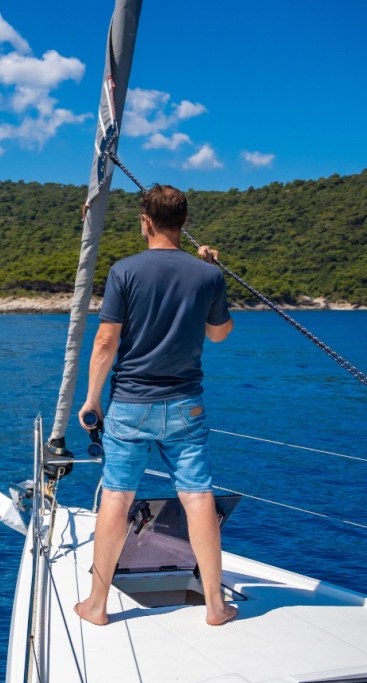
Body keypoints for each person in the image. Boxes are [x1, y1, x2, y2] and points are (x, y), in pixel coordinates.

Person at [73, 184, 238, 627]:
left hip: (130, 404)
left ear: (145, 221)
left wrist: (91, 398)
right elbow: (219, 334)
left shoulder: (124, 271)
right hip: (187, 406)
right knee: (198, 496)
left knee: (117, 496)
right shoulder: (209, 275)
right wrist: (210, 272)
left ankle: (97, 604)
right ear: (184, 222)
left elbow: (106, 340)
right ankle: (216, 606)